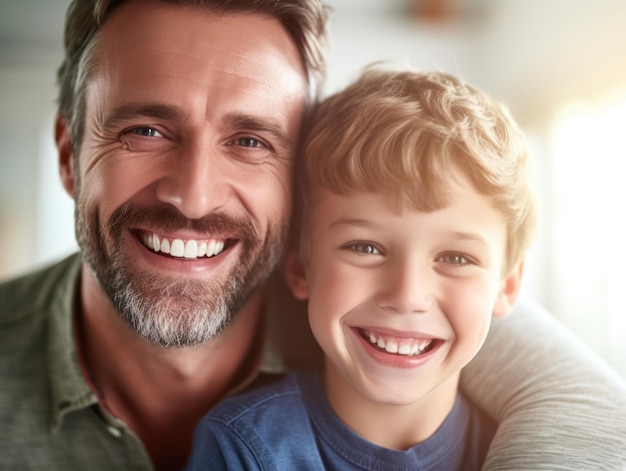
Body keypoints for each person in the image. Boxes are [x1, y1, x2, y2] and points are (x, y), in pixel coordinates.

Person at [0, 0, 625, 470]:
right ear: (66, 153)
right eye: (145, 130)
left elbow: (594, 410)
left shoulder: (377, 319)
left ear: (297, 188)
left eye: (250, 141)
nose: (193, 196)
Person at [184, 67, 534, 470]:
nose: (406, 296)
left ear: (507, 285)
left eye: (456, 258)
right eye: (365, 247)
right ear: (300, 268)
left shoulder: (530, 452)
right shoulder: (241, 449)